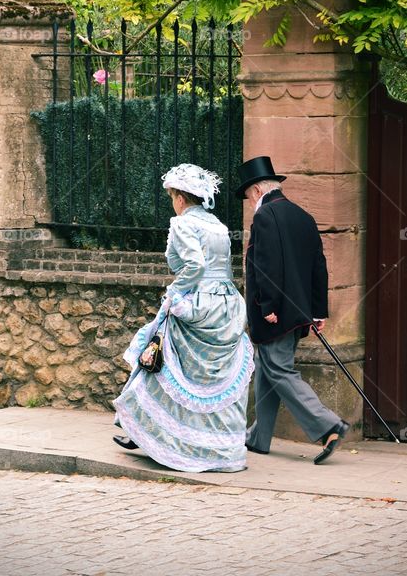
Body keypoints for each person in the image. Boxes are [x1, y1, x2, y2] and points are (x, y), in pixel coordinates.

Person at [112, 164, 254, 472]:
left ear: (179, 197)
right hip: (225, 305)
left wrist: (175, 293)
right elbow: (222, 268)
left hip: (196, 302)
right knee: (204, 380)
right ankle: (218, 448)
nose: (172, 201)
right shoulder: (216, 224)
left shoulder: (182, 224)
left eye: (172, 196)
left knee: (159, 363)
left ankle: (153, 435)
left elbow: (194, 266)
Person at [235, 156, 349, 465]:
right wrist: (317, 311)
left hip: (275, 313)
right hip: (297, 312)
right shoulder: (303, 216)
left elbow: (266, 266)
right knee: (268, 369)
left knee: (279, 370)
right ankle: (259, 437)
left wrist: (268, 306)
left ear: (257, 190)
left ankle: (328, 426)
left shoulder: (265, 217)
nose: (249, 202)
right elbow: (318, 268)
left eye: (248, 196)